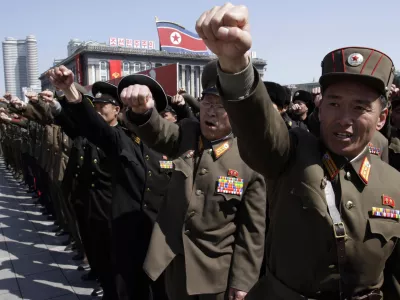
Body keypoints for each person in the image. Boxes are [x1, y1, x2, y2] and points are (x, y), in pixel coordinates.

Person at [195, 3, 400, 300]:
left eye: (360, 108)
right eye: (334, 103)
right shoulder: (291, 153)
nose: (344, 117)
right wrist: (235, 65)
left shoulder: (394, 183)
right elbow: (259, 128)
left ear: (382, 118)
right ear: (320, 106)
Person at [120, 60, 266, 300]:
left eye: (221, 105)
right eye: (208, 102)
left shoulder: (250, 158)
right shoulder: (187, 132)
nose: (211, 111)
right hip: (176, 262)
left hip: (216, 274)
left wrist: (243, 281)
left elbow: (252, 230)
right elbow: (159, 132)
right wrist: (145, 111)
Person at [46, 68, 171, 300]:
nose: (140, 104)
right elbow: (94, 126)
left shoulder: (173, 145)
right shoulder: (121, 140)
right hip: (128, 241)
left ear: (158, 110)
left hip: (163, 243)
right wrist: (70, 91)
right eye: (133, 101)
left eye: (146, 99)